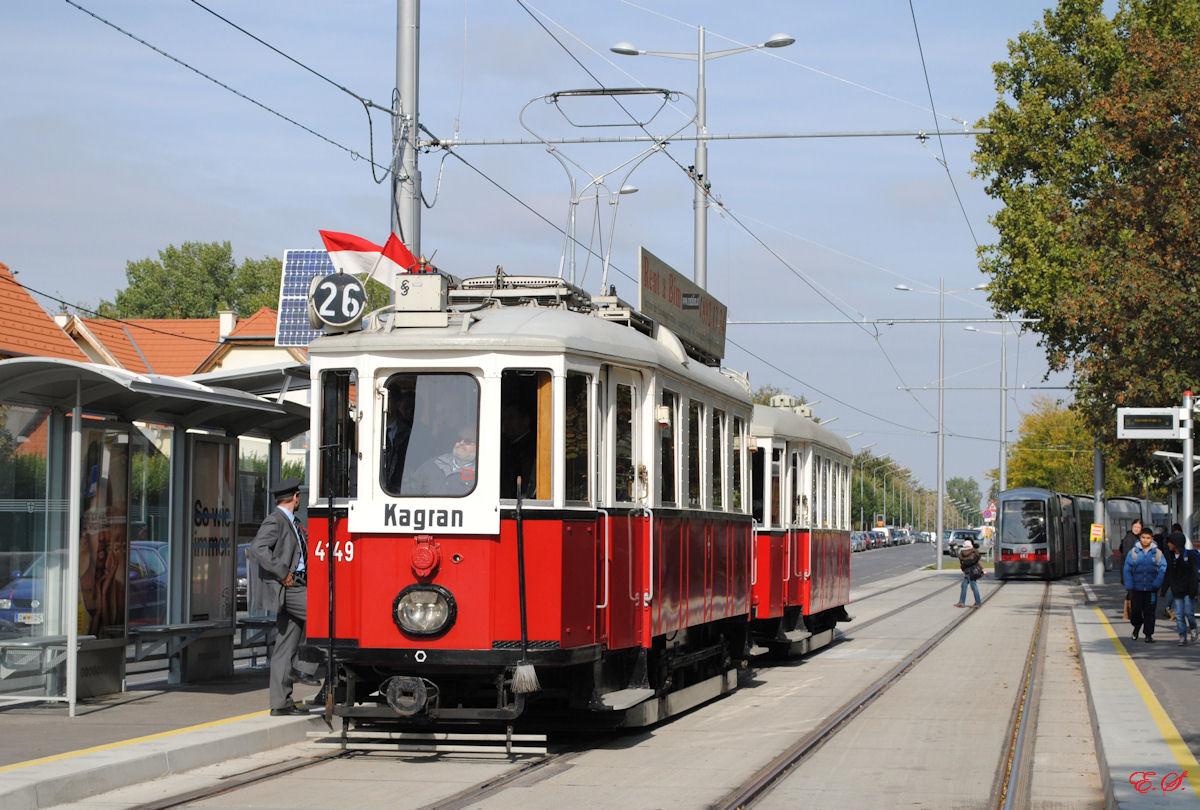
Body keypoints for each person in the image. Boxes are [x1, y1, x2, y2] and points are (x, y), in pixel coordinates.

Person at [251, 478, 319, 715]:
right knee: (324, 619)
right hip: (290, 587)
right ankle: (305, 668)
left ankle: (280, 704)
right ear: (295, 496)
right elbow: (258, 548)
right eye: (300, 496)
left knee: (285, 645)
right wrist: (282, 572)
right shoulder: (275, 520)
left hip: (298, 585)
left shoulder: (294, 522)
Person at [406, 424, 478, 497]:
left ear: (478, 445)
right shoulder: (432, 464)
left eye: (467, 441)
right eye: (458, 439)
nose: (461, 443)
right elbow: (409, 491)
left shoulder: (481, 473)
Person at [1123, 526, 1168, 643]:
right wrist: (1129, 584)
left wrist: (1157, 583)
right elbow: (1127, 569)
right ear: (1140, 538)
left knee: (1150, 613)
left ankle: (1148, 635)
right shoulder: (1133, 552)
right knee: (1136, 611)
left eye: (1148, 538)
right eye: (1143, 537)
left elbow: (1163, 568)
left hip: (1151, 589)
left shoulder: (1157, 553)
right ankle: (1137, 626)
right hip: (1136, 589)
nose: (1145, 540)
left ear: (1151, 538)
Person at [1160, 534, 1199, 645]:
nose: (1168, 544)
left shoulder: (1189, 555)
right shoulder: (1169, 556)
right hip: (1177, 590)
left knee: (1188, 612)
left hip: (1188, 590)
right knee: (1178, 615)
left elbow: (1194, 574)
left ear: (1176, 543)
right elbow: (1168, 574)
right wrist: (1164, 589)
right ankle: (1182, 636)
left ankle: (1193, 628)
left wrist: (1194, 591)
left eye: (1170, 542)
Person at [500, 404, 535, 498]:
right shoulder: (508, 446)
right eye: (504, 419)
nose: (506, 422)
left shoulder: (532, 446)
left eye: (511, 418)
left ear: (525, 421)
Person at [955, 539, 984, 608]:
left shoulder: (963, 553)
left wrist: (963, 565)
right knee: (964, 585)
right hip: (973, 571)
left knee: (972, 586)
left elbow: (964, 563)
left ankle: (977, 602)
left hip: (969, 572)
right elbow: (976, 560)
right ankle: (962, 602)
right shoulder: (975, 552)